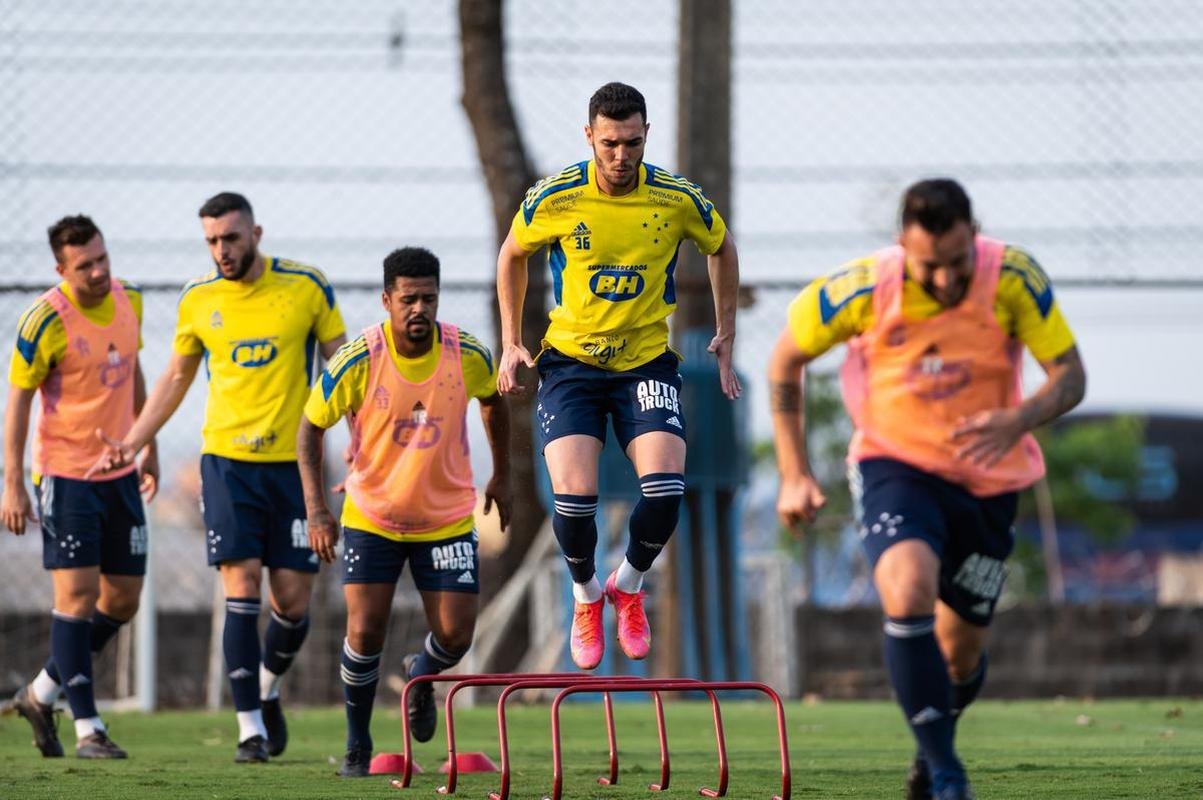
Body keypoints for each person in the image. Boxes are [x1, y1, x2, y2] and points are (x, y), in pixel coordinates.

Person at [768, 178, 1086, 800]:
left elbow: (1071, 377)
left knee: (961, 653)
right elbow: (785, 360)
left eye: (957, 262)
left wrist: (1019, 418)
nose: (944, 280)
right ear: (901, 247)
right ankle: (946, 772)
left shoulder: (1015, 277)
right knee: (906, 588)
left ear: (976, 236)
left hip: (990, 481)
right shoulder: (862, 287)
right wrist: (793, 474)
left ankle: (932, 744)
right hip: (897, 468)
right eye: (928, 266)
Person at [87, 192, 347, 763]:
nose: (221, 250)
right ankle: (248, 727)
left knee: (295, 601)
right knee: (242, 584)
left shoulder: (306, 286)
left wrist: (366, 446)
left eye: (230, 238)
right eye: (211, 240)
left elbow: (342, 365)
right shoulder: (198, 299)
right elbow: (176, 377)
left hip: (294, 467)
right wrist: (133, 440)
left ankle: (265, 685)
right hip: (226, 466)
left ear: (255, 232)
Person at [495, 81, 741, 671]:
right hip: (571, 366)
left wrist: (725, 331)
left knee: (665, 493)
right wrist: (509, 341)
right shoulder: (555, 197)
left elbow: (722, 247)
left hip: (645, 364)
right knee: (574, 501)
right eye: (609, 143)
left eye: (631, 142)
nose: (621, 156)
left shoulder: (676, 198)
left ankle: (626, 586)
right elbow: (511, 254)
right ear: (589, 137)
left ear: (646, 135)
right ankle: (586, 597)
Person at [297, 246, 511, 776]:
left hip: (447, 518)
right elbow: (310, 427)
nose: (419, 309)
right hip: (374, 517)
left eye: (429, 298)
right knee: (365, 632)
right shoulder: (358, 359)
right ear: (387, 299)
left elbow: (493, 401)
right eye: (409, 299)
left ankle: (422, 674)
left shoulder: (468, 354)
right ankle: (356, 744)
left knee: (458, 634)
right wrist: (318, 510)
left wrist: (502, 475)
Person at [2, 215, 157, 760]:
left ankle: (40, 694)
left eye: (102, 258)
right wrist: (12, 483)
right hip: (65, 477)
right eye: (84, 264)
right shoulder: (44, 320)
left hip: (118, 473)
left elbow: (134, 370)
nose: (98, 271)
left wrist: (148, 444)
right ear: (61, 269)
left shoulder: (129, 299)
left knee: (123, 598)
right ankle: (88, 726)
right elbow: (19, 398)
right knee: (76, 597)